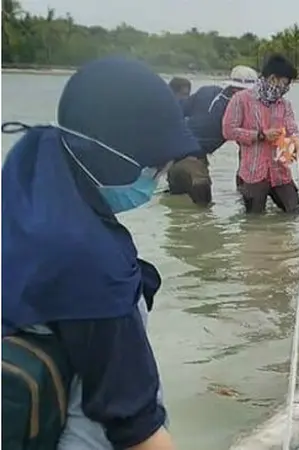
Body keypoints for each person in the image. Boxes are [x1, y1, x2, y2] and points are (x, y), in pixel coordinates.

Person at [2, 57, 201, 450]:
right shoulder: (92, 265)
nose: (157, 178)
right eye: (153, 166)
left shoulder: (30, 167)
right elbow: (136, 431)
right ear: (113, 155)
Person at [222, 54, 299, 215]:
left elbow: (293, 129)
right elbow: (228, 131)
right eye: (285, 83)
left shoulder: (284, 104)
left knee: (294, 212)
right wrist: (261, 135)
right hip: (253, 172)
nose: (286, 88)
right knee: (254, 220)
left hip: (280, 171)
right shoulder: (241, 100)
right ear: (273, 79)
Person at [167, 65, 259, 206]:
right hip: (195, 168)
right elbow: (247, 151)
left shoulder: (206, 92)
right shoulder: (239, 110)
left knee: (176, 212)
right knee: (203, 214)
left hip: (171, 160)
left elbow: (175, 111)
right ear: (239, 90)